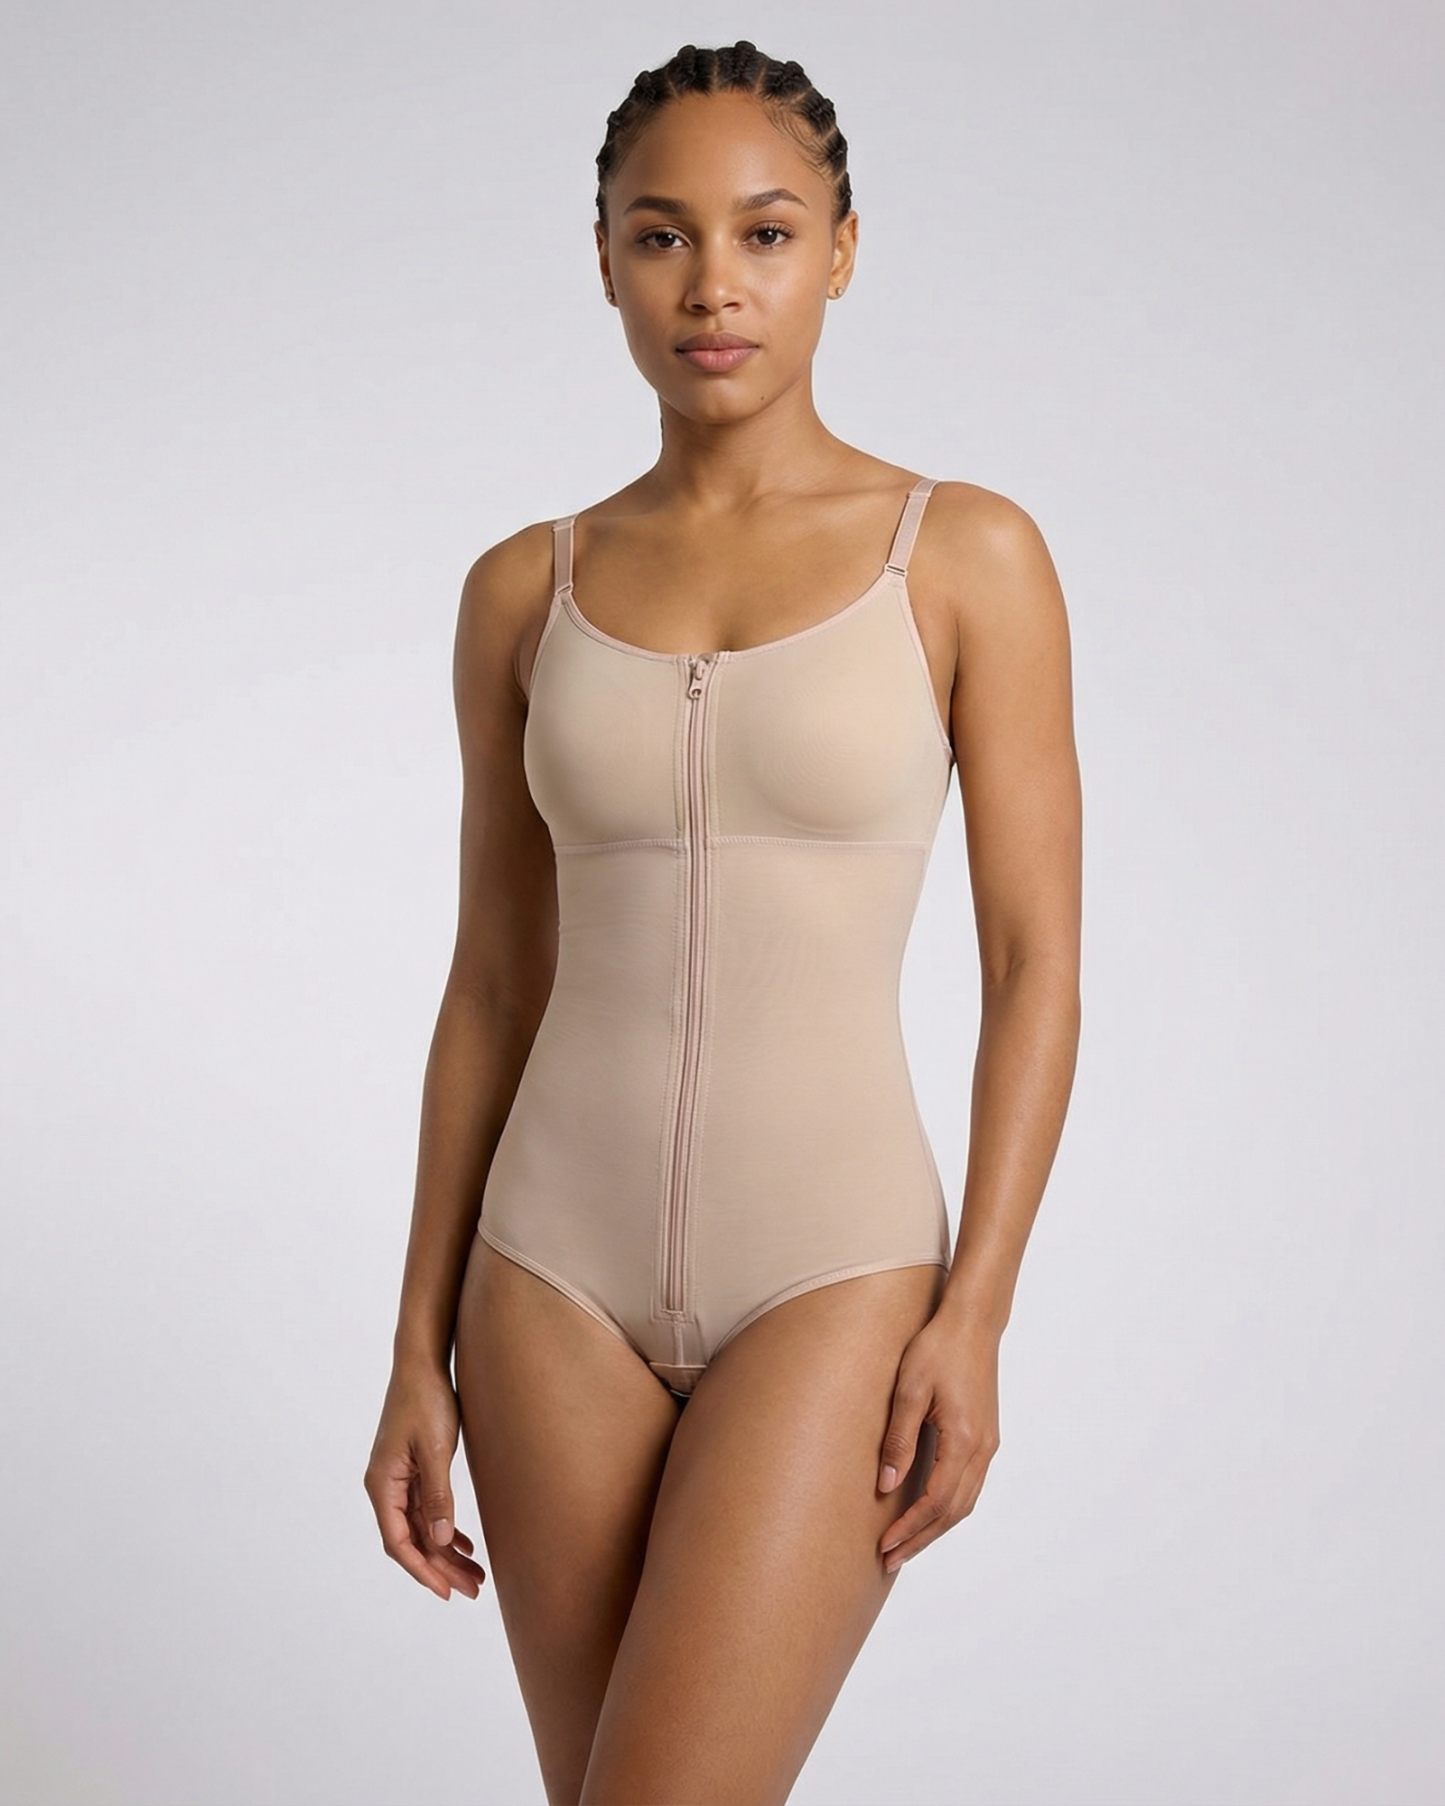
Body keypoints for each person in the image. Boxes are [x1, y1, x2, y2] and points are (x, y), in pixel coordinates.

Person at [365, 39, 1082, 1806]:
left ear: (842, 251)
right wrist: (412, 1346)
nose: (712, 285)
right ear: (604, 258)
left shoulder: (965, 555)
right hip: (544, 1281)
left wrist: (979, 1310)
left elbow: (1033, 964)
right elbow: (491, 983)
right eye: (660, 234)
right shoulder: (524, 587)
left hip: (832, 1271)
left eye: (765, 233)